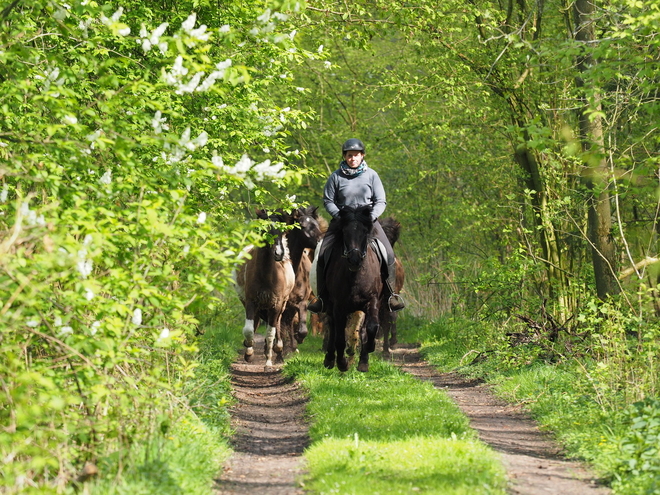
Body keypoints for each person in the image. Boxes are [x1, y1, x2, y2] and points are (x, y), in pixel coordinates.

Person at [308, 138, 405, 314]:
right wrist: (340, 217)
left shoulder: (372, 175)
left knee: (388, 253)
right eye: (349, 155)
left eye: (356, 155)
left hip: (368, 222)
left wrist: (370, 217)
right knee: (322, 253)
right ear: (345, 156)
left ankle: (391, 296)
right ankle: (321, 297)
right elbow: (328, 200)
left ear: (362, 156)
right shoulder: (336, 176)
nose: (353, 158)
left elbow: (381, 200)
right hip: (342, 223)